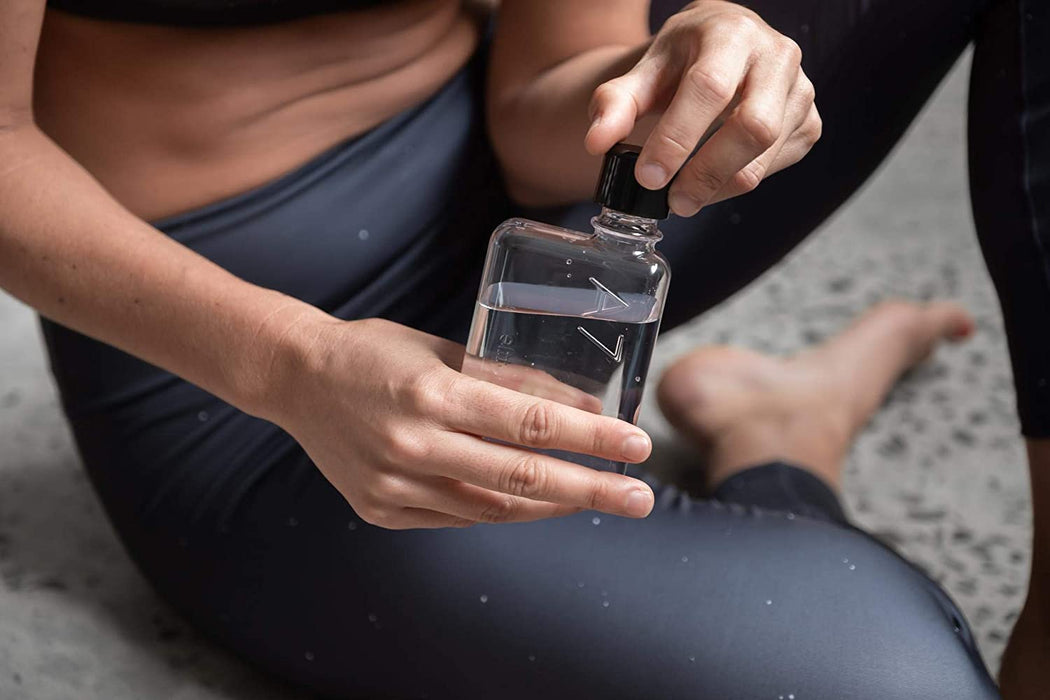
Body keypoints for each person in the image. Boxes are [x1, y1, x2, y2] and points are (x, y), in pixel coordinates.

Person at [0, 0, 1044, 695]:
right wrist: (291, 363)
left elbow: (540, 105)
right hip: (236, 365)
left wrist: (669, 72)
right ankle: (781, 449)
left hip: (503, 206)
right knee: (897, 677)